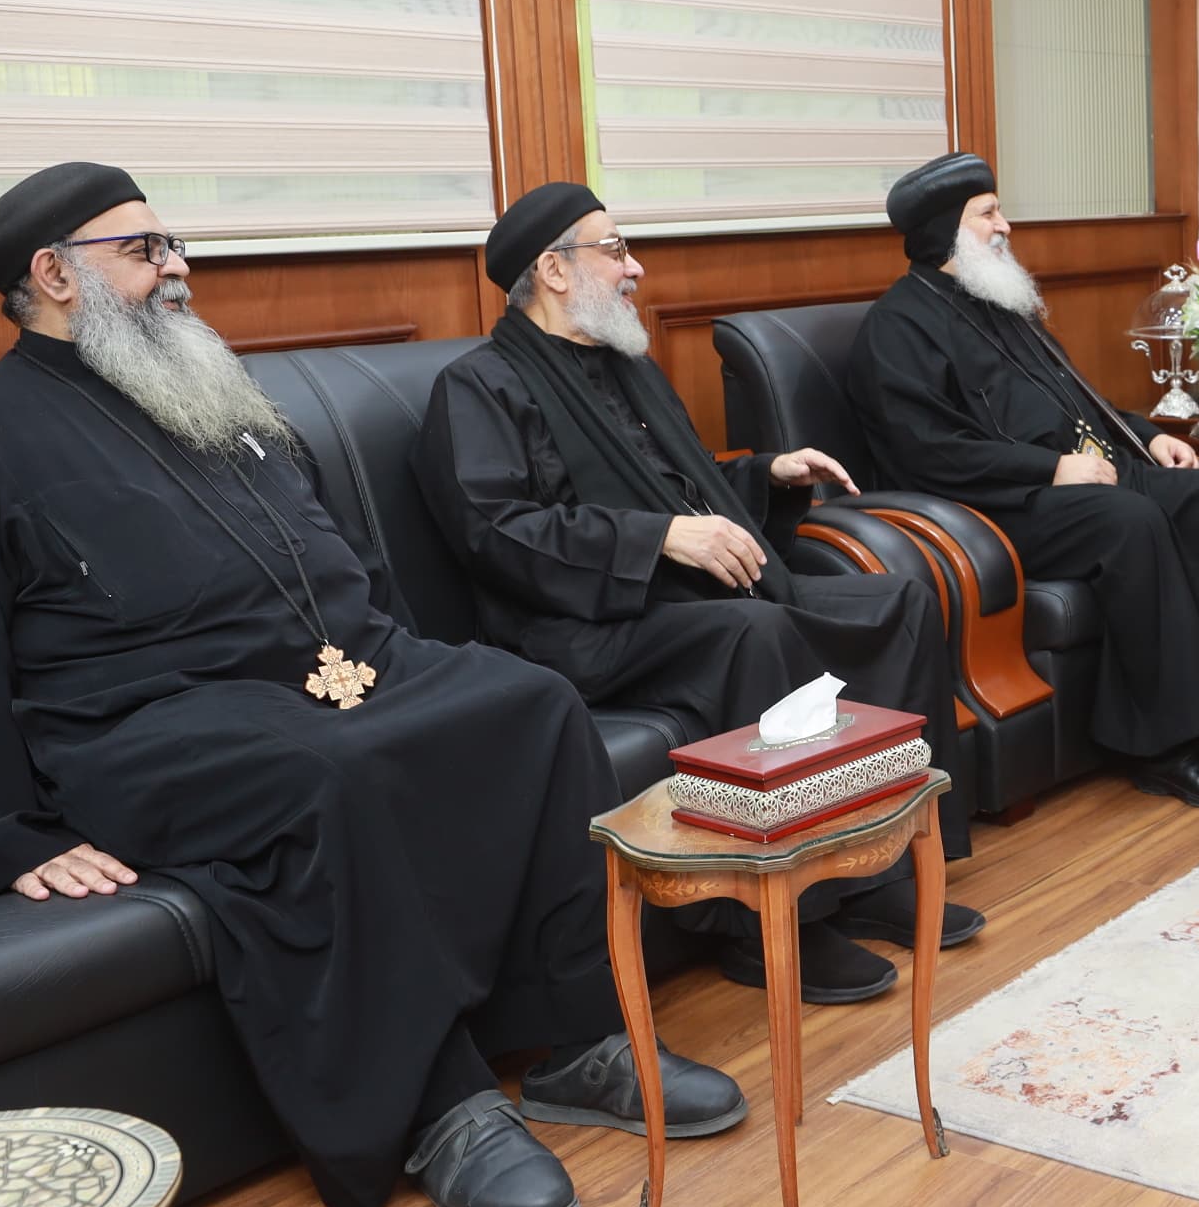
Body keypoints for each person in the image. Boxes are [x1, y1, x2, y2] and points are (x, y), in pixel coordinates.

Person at [0, 162, 742, 1207]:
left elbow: (347, 560)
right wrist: (2, 835)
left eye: (173, 244)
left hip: (342, 670)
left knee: (533, 703)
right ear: (52, 274)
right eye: (144, 250)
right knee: (334, 771)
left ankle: (578, 1039)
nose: (176, 268)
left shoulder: (212, 395)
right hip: (149, 721)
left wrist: (394, 661)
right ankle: (438, 1107)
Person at [420, 182, 983, 1008]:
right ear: (553, 270)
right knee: (755, 633)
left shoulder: (627, 367)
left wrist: (766, 475)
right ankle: (774, 924)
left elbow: (677, 486)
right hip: (582, 624)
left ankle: (876, 872)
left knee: (899, 603)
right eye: (615, 250)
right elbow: (497, 531)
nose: (635, 269)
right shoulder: (479, 387)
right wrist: (659, 540)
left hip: (679, 598)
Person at [845, 153, 1199, 811]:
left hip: (1088, 473)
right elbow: (927, 452)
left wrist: (1146, 435)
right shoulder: (895, 329)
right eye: (988, 214)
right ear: (944, 231)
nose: (1005, 225)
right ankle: (1168, 749)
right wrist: (1048, 468)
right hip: (997, 506)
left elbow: (1078, 398)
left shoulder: (1002, 304)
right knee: (1129, 521)